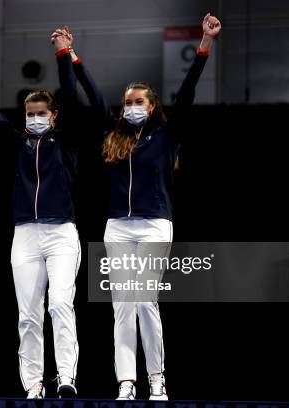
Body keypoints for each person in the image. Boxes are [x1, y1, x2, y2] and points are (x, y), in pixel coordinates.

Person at [64, 13, 221, 400]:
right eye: (127, 102)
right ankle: (126, 382)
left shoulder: (167, 136)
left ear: (150, 107)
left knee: (144, 298)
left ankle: (157, 378)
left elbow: (186, 92)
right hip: (118, 226)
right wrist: (73, 58)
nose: (130, 106)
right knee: (122, 306)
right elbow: (94, 99)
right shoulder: (114, 136)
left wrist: (204, 43)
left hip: (154, 225)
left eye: (138, 102)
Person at [0, 31, 82, 399]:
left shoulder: (65, 139)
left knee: (61, 304)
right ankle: (33, 383)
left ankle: (65, 376)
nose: (35, 119)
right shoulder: (18, 142)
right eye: (30, 114)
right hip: (25, 236)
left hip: (61, 233)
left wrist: (63, 53)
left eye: (41, 114)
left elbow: (70, 91)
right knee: (28, 314)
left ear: (53, 116)